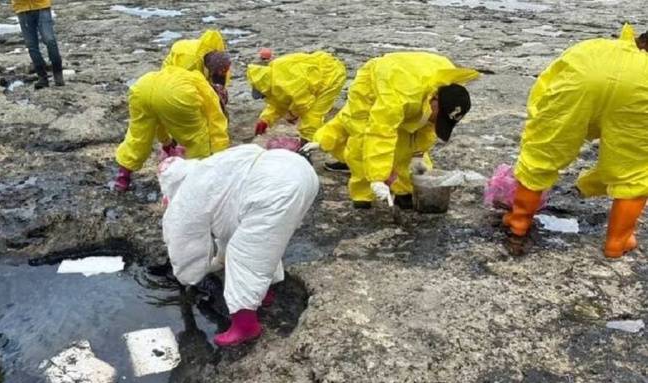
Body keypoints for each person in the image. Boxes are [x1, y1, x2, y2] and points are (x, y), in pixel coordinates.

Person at [503, 24, 648, 258]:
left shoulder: (593, 47)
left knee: (542, 154)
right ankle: (617, 242)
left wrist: (541, 122)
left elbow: (548, 84)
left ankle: (518, 222)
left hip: (584, 76)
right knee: (636, 171)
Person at [159, 144, 319, 347]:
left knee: (245, 254)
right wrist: (218, 260)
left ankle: (245, 326)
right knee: (266, 241)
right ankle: (263, 294)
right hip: (298, 169)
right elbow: (232, 226)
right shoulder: (211, 170)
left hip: (275, 186)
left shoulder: (186, 196)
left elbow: (184, 244)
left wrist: (187, 276)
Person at [303, 52, 479, 209]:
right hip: (375, 81)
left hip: (413, 82)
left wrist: (418, 156)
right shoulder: (398, 98)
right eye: (437, 117)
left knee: (407, 143)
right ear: (436, 101)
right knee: (361, 135)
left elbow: (424, 130)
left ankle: (404, 191)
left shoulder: (449, 91)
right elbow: (380, 133)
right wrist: (378, 177)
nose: (435, 122)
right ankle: (362, 193)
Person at [113, 66, 230, 192]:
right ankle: (196, 182)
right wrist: (219, 157)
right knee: (197, 139)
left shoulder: (189, 77)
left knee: (138, 136)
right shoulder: (209, 93)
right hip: (177, 94)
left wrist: (167, 144)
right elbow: (216, 126)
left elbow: (158, 121)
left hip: (142, 87)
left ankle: (122, 179)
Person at [247, 51, 346, 149]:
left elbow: (303, 104)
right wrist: (265, 119)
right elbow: (278, 103)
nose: (263, 97)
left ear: (263, 89)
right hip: (314, 76)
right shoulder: (269, 78)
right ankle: (306, 142)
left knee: (312, 115)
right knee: (306, 113)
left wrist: (292, 115)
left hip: (330, 76)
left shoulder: (285, 83)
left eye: (262, 95)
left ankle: (306, 145)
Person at [12, 0, 64, 89]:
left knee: (50, 40)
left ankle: (58, 74)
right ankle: (42, 77)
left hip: (42, 6)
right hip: (22, 8)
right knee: (31, 45)